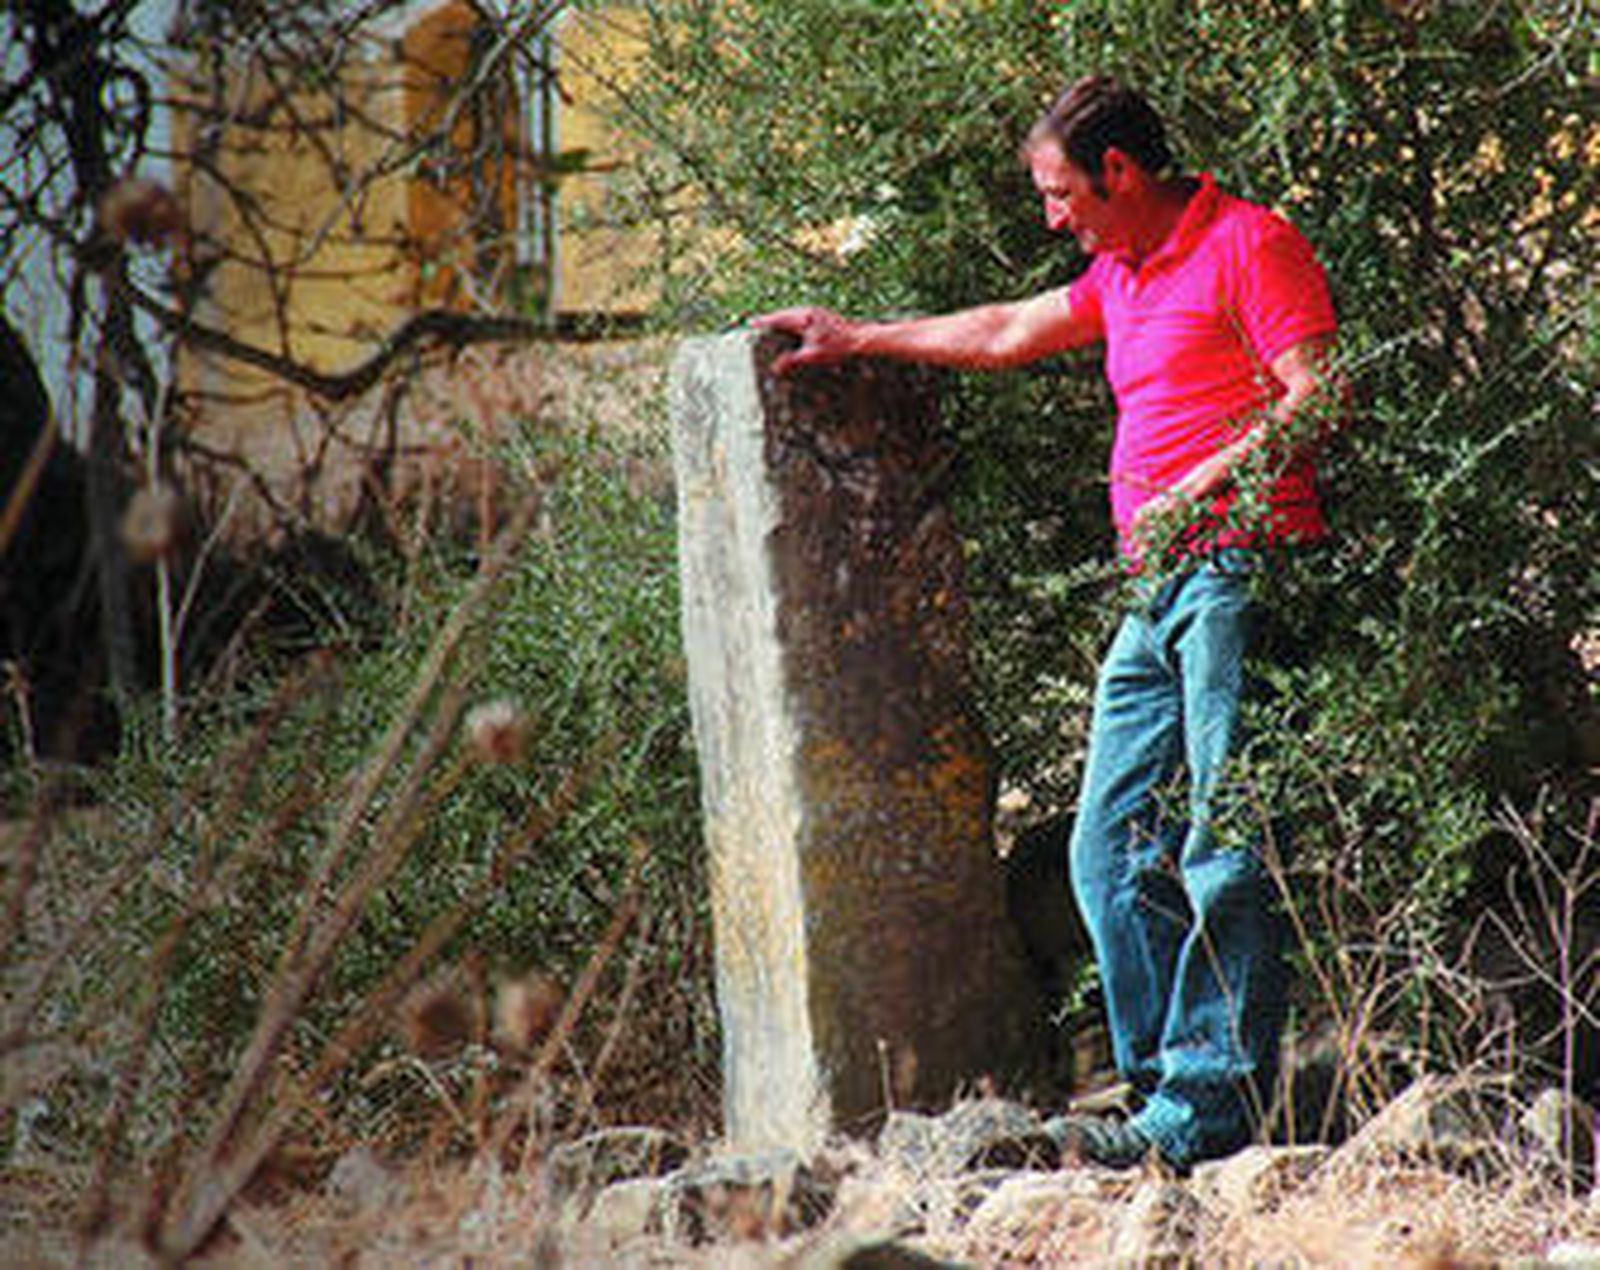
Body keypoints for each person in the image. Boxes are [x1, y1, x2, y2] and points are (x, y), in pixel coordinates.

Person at [754, 75, 1341, 1170]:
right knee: (1104, 847)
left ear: (1119, 172)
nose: (1051, 214)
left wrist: (1206, 481)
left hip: (1240, 570)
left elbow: (1318, 395)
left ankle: (1205, 1107)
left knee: (1222, 841)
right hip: (1155, 586)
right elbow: (1010, 327)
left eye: (1059, 191)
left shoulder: (1250, 243)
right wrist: (862, 334)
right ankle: (1166, 1094)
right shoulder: (1121, 271)